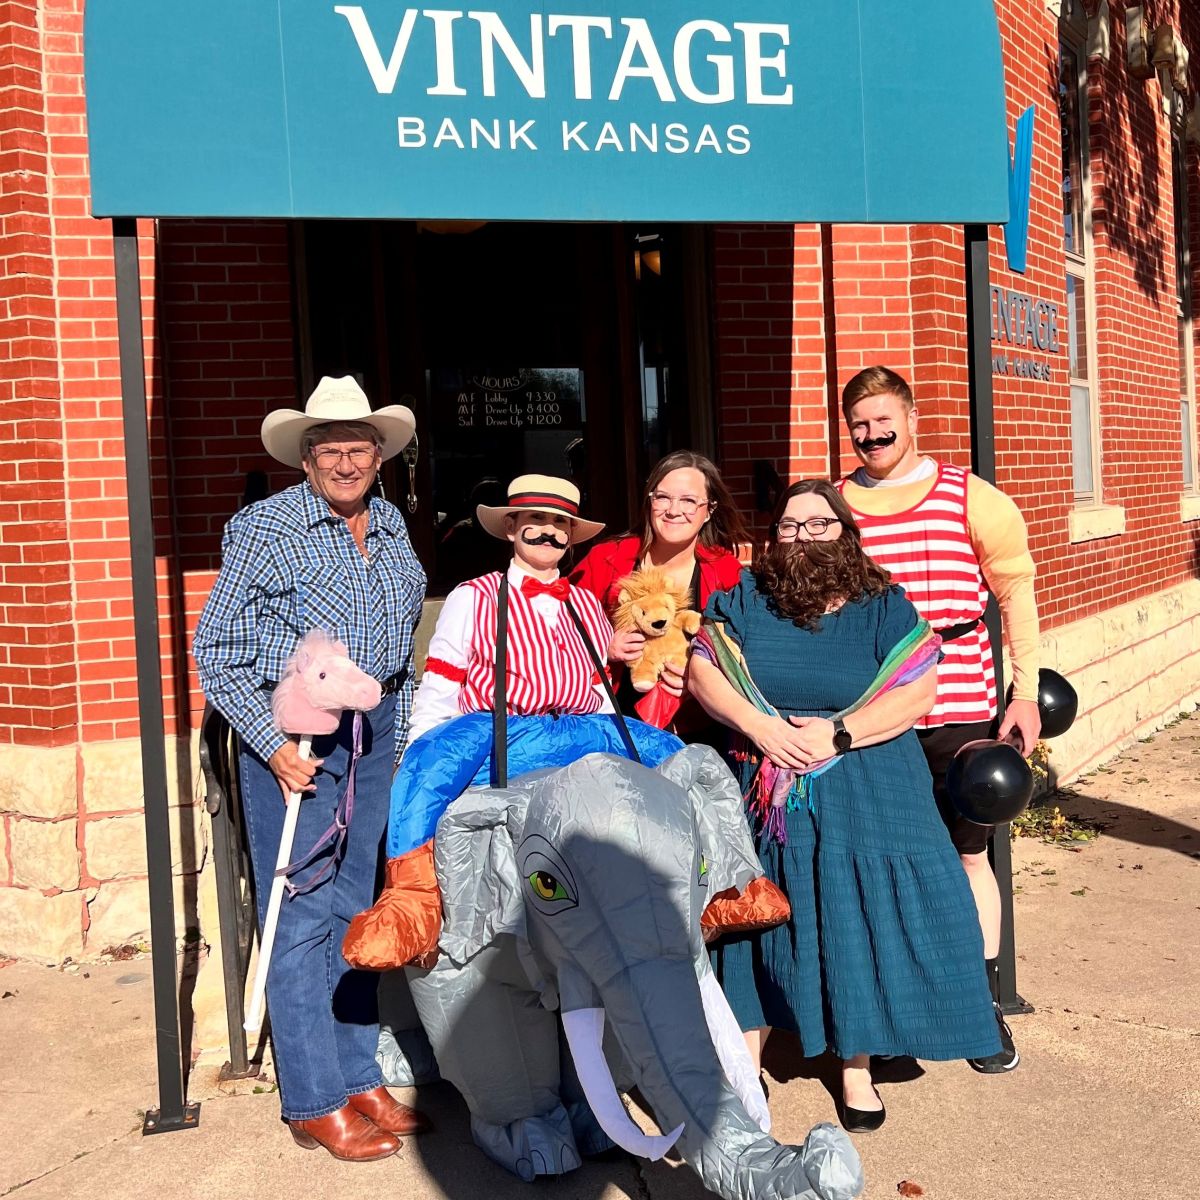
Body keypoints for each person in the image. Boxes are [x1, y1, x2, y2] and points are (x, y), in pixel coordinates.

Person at [688, 480, 999, 1131]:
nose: (803, 536)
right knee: (754, 918)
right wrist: (761, 727)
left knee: (852, 917)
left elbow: (918, 690)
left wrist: (838, 733)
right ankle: (745, 1063)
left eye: (818, 524)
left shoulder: (883, 605)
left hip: (866, 781)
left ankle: (856, 1067)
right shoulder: (744, 598)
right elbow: (703, 670)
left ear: (845, 534)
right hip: (765, 783)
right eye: (790, 526)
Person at [194, 376, 430, 1161]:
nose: (345, 460)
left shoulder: (390, 523)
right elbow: (217, 649)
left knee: (354, 909)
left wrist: (403, 735)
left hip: (375, 734)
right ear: (305, 457)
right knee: (300, 912)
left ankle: (356, 1072)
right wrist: (270, 745)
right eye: (330, 448)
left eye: (358, 446)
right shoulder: (265, 527)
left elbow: (399, 650)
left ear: (379, 454)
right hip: (298, 739)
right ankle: (312, 1097)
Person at [835, 365, 1040, 1074]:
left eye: (883, 419)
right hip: (874, 711)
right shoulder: (836, 507)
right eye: (859, 424)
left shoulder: (969, 496)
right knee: (884, 863)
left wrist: (1024, 692)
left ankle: (979, 1004)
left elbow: (1016, 594)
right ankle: (895, 1014)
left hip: (962, 707)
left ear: (911, 417)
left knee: (967, 855)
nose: (872, 434)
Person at [571, 450, 750, 731]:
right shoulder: (605, 559)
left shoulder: (727, 572)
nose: (673, 510)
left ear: (709, 510)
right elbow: (558, 633)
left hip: (700, 729)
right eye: (663, 497)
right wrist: (604, 647)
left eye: (689, 501)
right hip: (614, 727)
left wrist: (703, 679)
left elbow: (745, 654)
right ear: (650, 501)